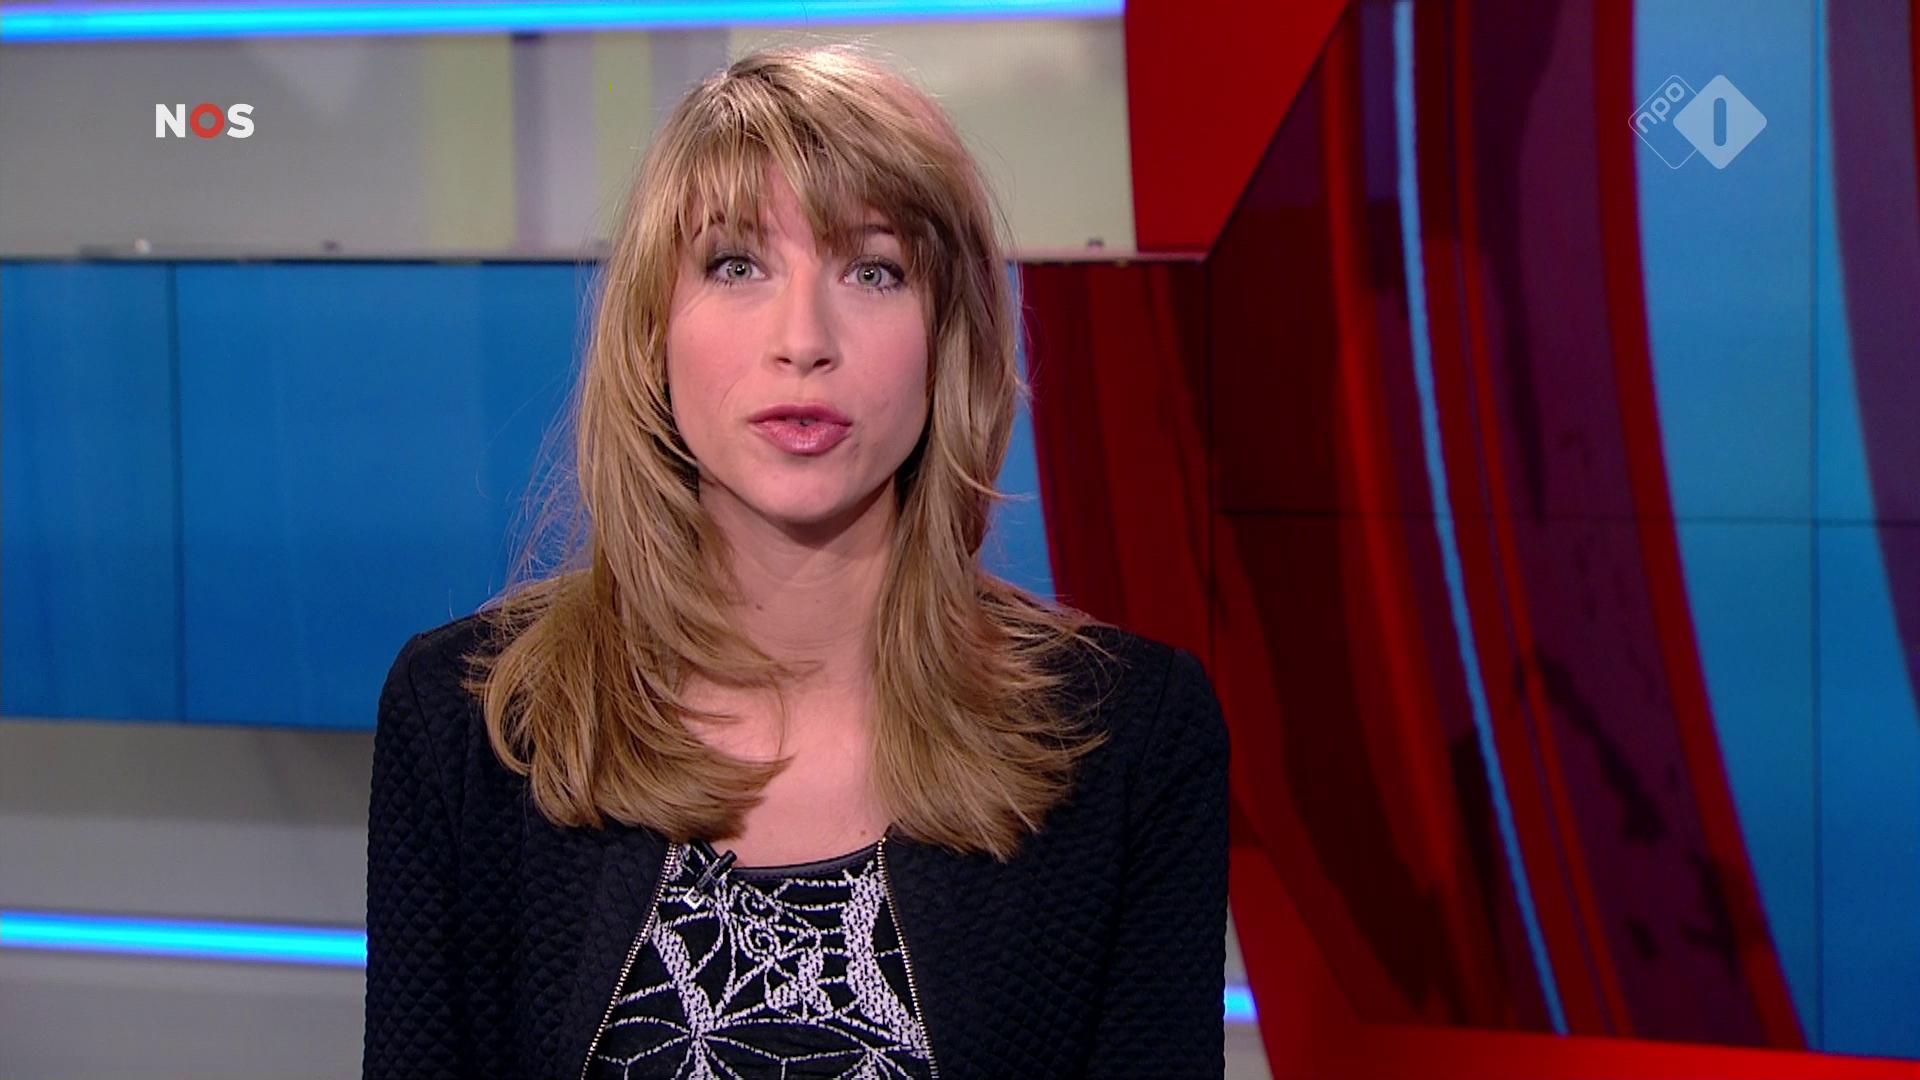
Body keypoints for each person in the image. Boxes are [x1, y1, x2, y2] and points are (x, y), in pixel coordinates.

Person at [363, 42, 1230, 1080]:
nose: (803, 338)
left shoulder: (1129, 742)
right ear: (652, 337)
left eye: (873, 270)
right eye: (737, 265)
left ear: (948, 340)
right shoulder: (471, 724)